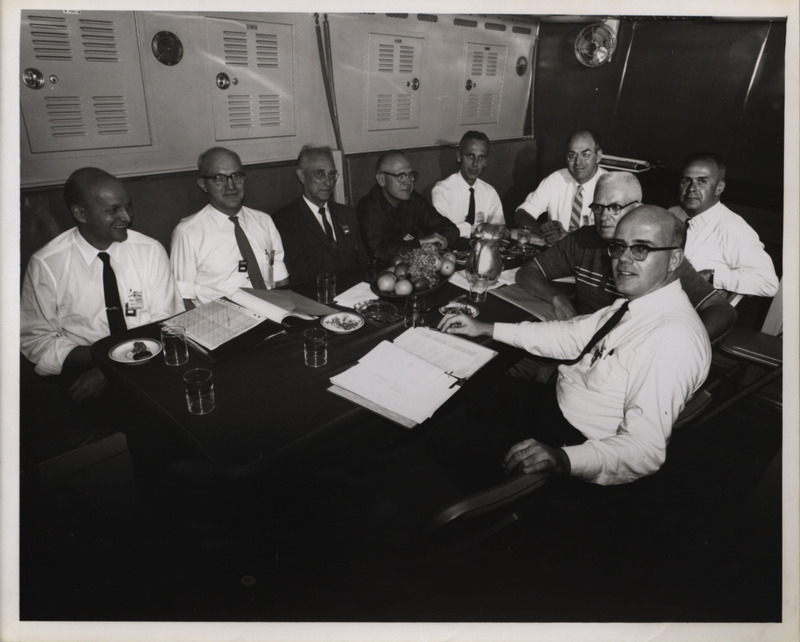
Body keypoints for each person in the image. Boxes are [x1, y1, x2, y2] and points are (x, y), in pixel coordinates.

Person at [436, 205, 711, 487]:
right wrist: (486, 328)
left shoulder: (673, 338)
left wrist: (563, 459)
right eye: (619, 247)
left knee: (446, 438)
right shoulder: (636, 303)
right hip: (556, 403)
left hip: (576, 440)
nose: (623, 260)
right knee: (467, 387)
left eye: (641, 249)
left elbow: (645, 450)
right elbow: (568, 336)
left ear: (675, 259)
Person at [20, 167, 183, 401]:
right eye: (112, 210)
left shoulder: (150, 251)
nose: (126, 217)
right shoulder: (47, 264)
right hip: (84, 364)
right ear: (81, 213)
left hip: (149, 357)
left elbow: (166, 321)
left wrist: (111, 368)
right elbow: (36, 340)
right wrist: (106, 361)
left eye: (127, 206)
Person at [515, 171, 736, 342]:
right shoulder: (583, 239)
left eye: (615, 207)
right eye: (598, 207)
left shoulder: (658, 253)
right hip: (582, 343)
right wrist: (557, 298)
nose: (604, 216)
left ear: (637, 208)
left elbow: (721, 310)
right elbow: (528, 272)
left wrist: (685, 345)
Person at [170, 147, 289, 307]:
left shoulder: (264, 221)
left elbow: (280, 276)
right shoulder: (187, 233)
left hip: (273, 310)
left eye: (236, 176)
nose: (231, 185)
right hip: (222, 319)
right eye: (220, 178)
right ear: (203, 184)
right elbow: (182, 298)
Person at [668, 152, 778, 297]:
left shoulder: (733, 227)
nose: (691, 188)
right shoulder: (673, 213)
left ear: (719, 188)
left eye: (702, 181)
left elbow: (768, 283)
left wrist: (713, 276)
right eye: (686, 181)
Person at [273, 146, 368, 284]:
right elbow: (299, 275)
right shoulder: (286, 221)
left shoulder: (347, 214)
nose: (328, 182)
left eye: (331, 175)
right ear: (301, 175)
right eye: (320, 174)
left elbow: (363, 262)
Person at [356, 150, 459, 260]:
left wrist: (437, 243)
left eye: (411, 176)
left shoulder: (413, 199)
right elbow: (379, 251)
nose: (408, 182)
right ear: (381, 179)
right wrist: (420, 243)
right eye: (401, 176)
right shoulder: (368, 207)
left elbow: (450, 229)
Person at [514, 130, 607, 245]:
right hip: (556, 252)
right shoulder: (556, 179)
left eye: (585, 155)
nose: (578, 162)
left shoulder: (611, 186)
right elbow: (521, 214)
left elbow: (614, 235)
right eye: (572, 155)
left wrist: (568, 238)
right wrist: (541, 229)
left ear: (598, 156)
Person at [431, 131, 504, 240]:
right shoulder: (442, 191)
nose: (475, 163)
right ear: (459, 156)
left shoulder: (489, 192)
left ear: (485, 162)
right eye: (470, 156)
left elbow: (498, 230)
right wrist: (479, 229)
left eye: (481, 157)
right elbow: (445, 231)